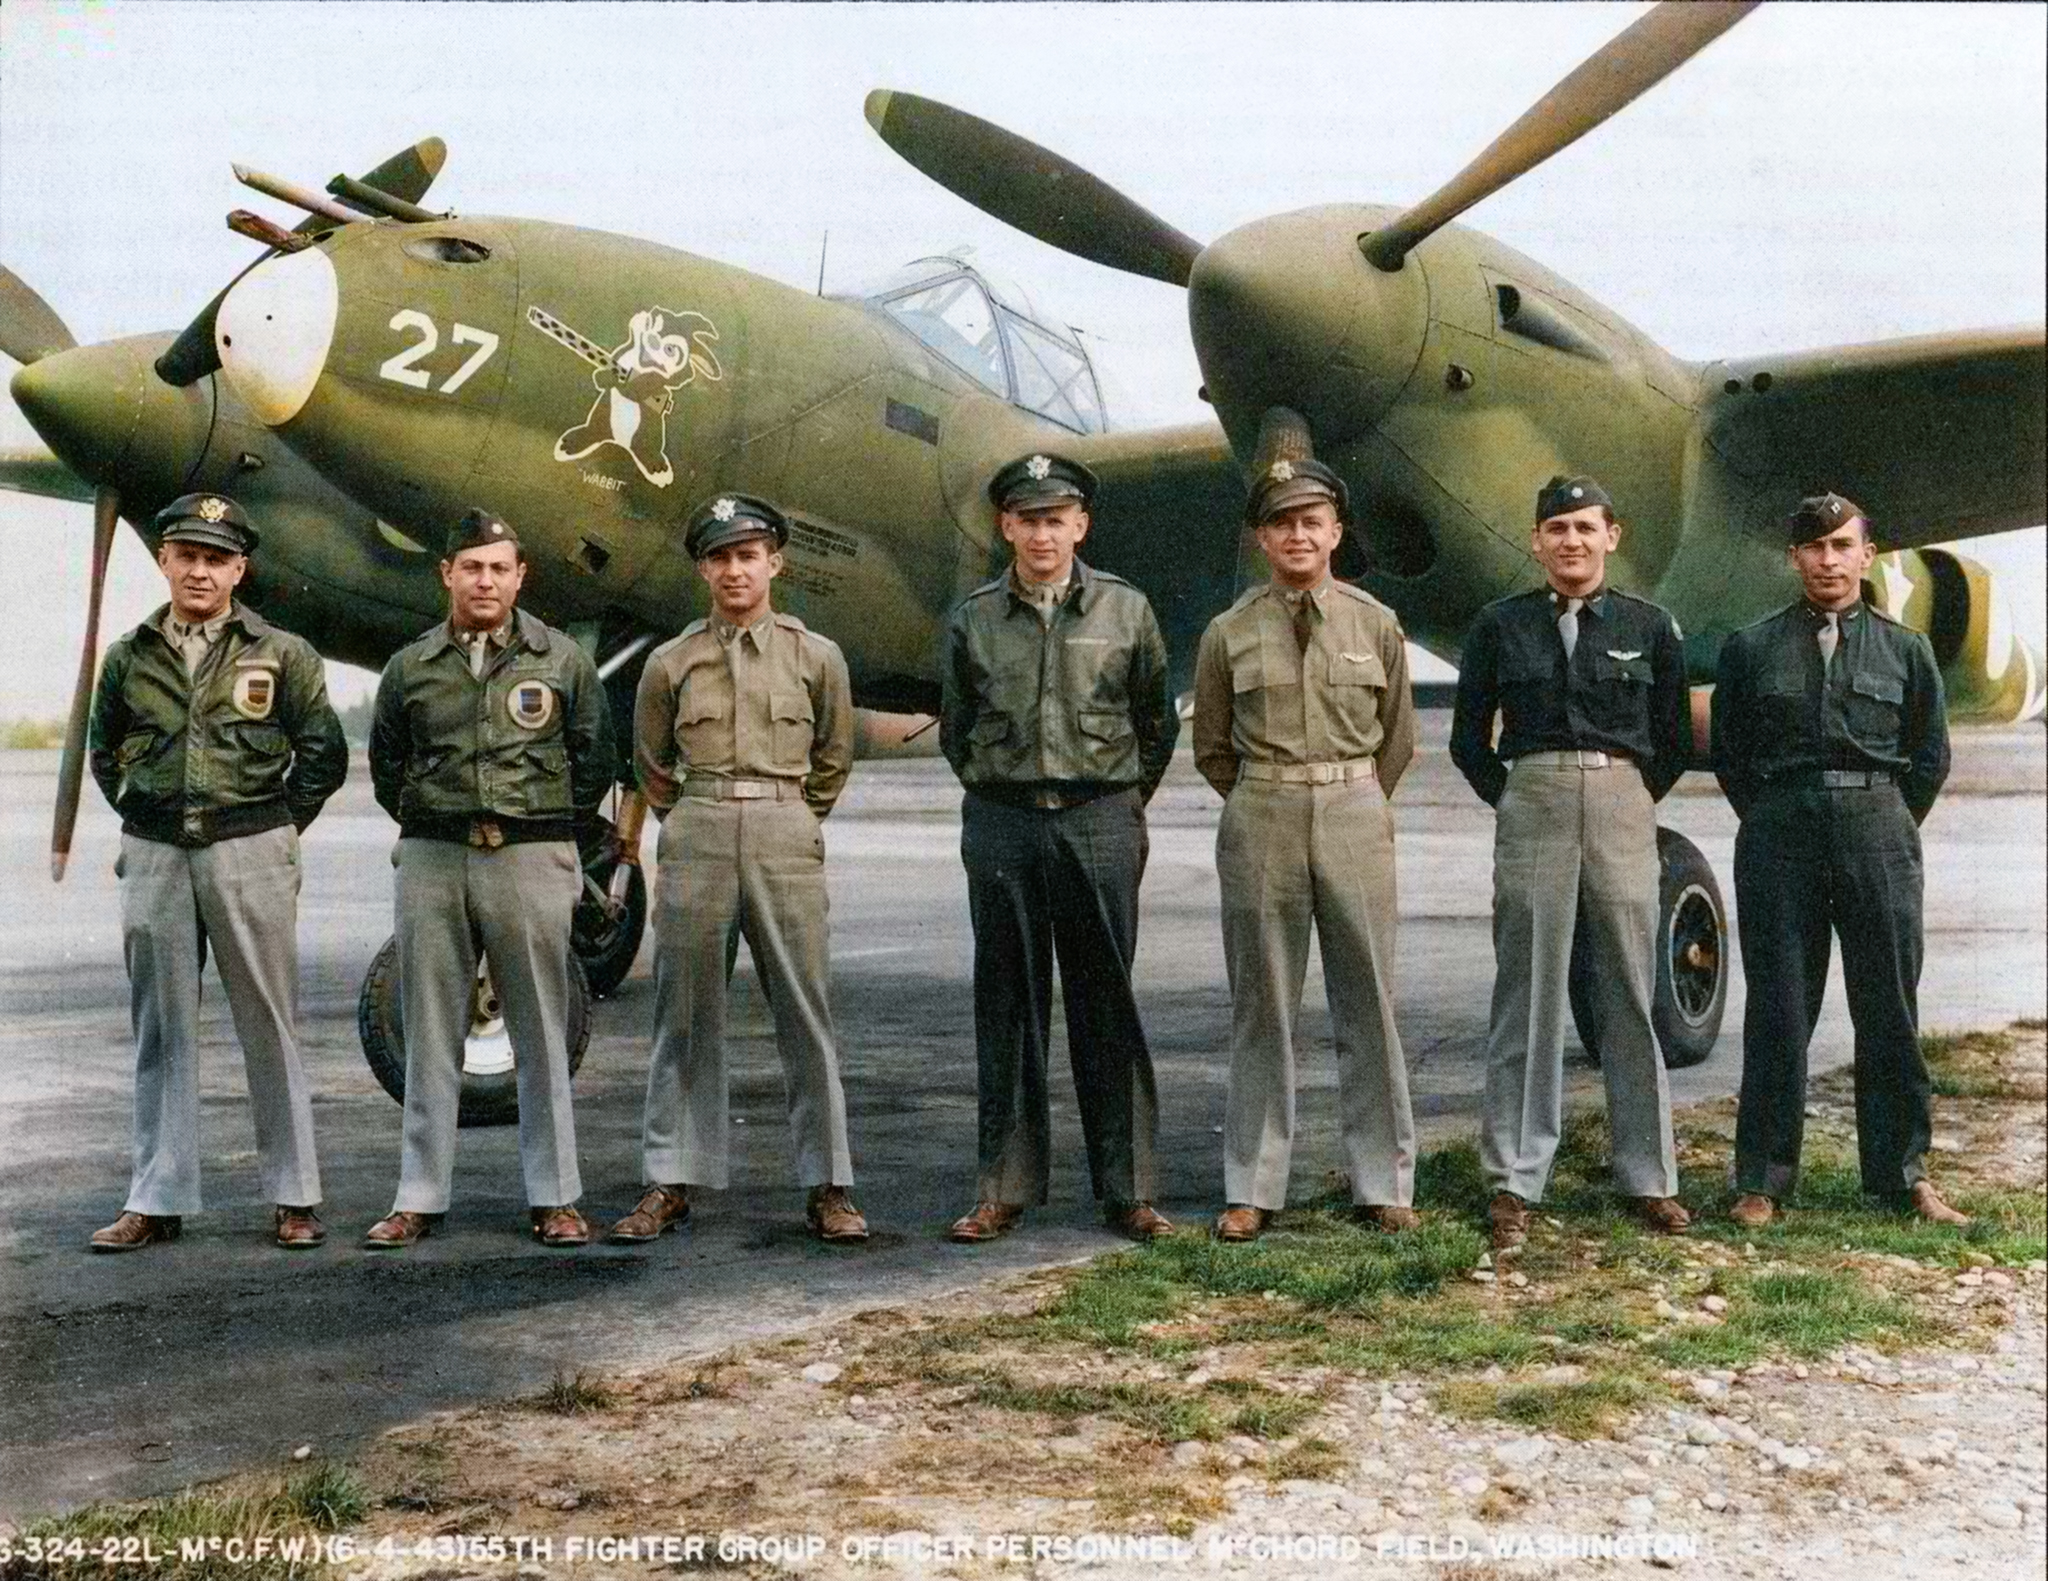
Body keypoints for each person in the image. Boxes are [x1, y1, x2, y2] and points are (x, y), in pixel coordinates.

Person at [86, 492, 347, 1251]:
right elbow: (105, 753)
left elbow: (322, 754)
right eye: (187, 556)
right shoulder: (129, 656)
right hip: (158, 853)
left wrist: (273, 828)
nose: (200, 572)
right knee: (160, 1027)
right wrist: (149, 811)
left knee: (269, 1021)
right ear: (164, 561)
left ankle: (294, 1197)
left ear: (240, 570)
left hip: (249, 849)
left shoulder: (283, 653)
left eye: (216, 559)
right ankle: (155, 1197)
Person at [610, 493, 867, 1246]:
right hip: (698, 829)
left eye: (747, 556)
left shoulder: (817, 656)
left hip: (786, 827)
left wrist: (791, 815)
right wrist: (697, 817)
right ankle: (670, 1179)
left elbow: (834, 757)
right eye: (719, 557)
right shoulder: (671, 662)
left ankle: (829, 1186)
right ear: (702, 569)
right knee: (684, 1013)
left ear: (774, 563)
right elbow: (652, 764)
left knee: (805, 1009)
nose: (734, 570)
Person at [940, 452, 1180, 1243]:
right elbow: (957, 728)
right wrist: (1005, 789)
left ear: (1081, 525)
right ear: (1006, 526)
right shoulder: (974, 618)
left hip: (1097, 819)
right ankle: (1003, 1187)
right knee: (1007, 1003)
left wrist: (1115, 800)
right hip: (1004, 823)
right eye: (1027, 519)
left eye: (1056, 519)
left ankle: (1129, 1190)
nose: (1042, 534)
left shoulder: (1126, 609)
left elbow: (1156, 721)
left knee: (1106, 1002)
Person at [1449, 474, 1692, 1252]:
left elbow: (1672, 740)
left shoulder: (1650, 626)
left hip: (1621, 798)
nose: (1572, 541)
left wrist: (1628, 796)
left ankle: (1648, 1174)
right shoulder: (1499, 625)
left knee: (1629, 984)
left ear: (1611, 537)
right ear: (1536, 541)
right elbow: (1467, 741)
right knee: (1527, 987)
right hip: (1534, 798)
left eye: (1586, 527)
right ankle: (1515, 1176)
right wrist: (1520, 797)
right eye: (1557, 528)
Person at [363, 508, 615, 1249]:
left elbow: (594, 760)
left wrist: (539, 828)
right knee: (430, 1029)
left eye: (499, 568)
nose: (485, 581)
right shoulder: (410, 666)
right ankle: (418, 1196)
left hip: (529, 856)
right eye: (471, 567)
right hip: (435, 858)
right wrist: (439, 819)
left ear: (520, 576)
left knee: (541, 1030)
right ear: (446, 574)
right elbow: (387, 767)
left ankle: (556, 1196)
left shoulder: (561, 660)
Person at [1712, 492, 1963, 1228]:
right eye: (1815, 547)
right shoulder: (1751, 647)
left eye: (1842, 545)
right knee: (1779, 1008)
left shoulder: (1906, 649)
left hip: (1877, 829)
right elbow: (1731, 753)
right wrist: (1774, 813)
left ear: (1867, 555)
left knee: (1889, 1007)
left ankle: (1902, 1174)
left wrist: (1884, 819)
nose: (1829, 560)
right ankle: (1762, 1179)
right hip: (1780, 833)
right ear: (1794, 557)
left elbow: (1929, 755)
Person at [1192, 459, 1420, 1243]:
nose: (1298, 535)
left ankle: (1383, 1181)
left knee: (1370, 1000)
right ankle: (1252, 1187)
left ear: (1335, 532)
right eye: (1282, 522)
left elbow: (1398, 739)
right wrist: (1272, 793)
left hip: (1354, 804)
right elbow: (1212, 745)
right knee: (1263, 1003)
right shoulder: (1228, 632)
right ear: (1262, 537)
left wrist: (1352, 795)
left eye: (1312, 521)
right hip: (1263, 808)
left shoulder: (1375, 623)